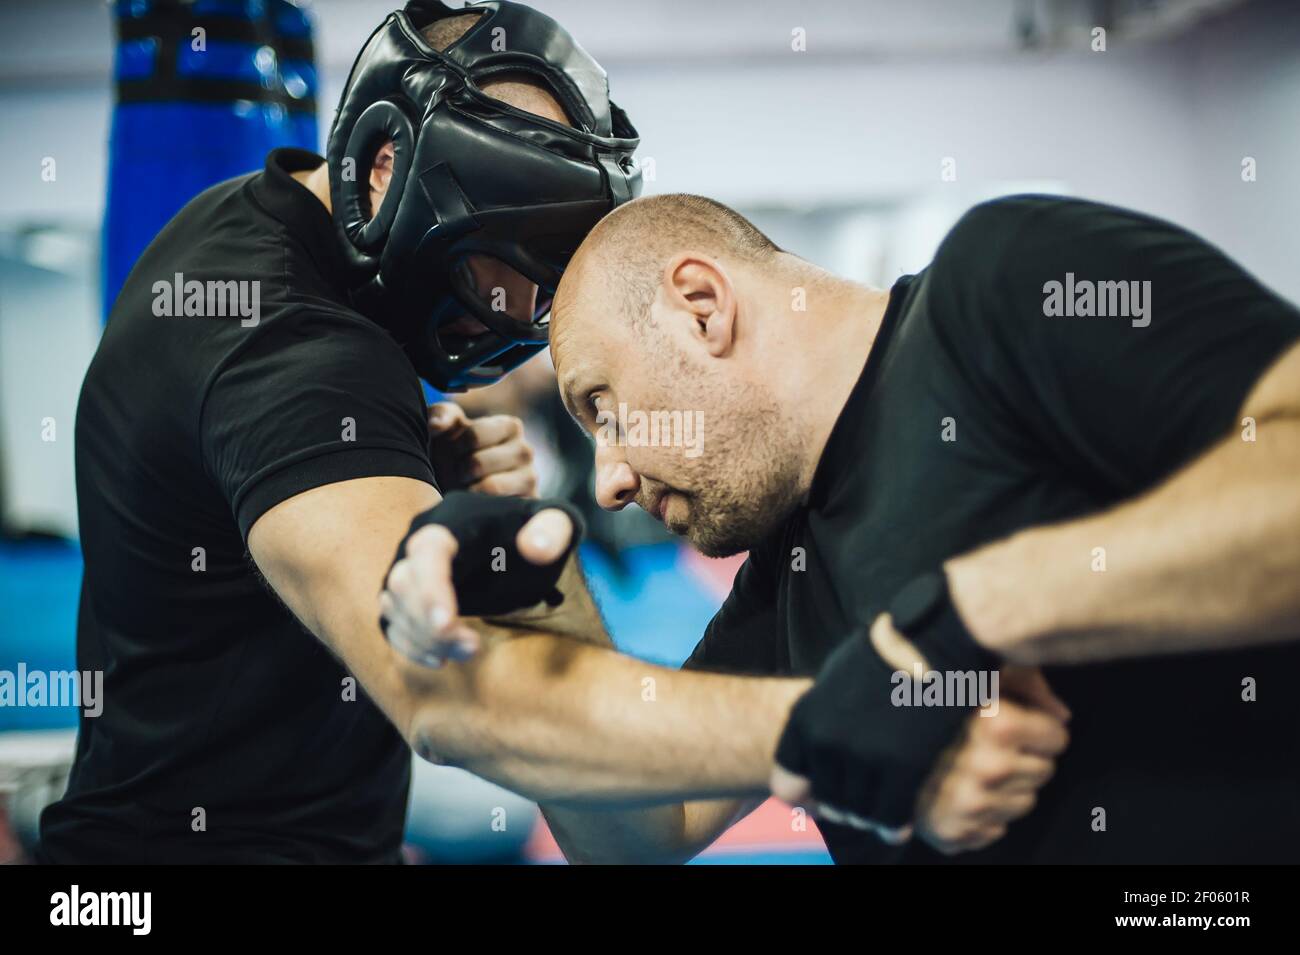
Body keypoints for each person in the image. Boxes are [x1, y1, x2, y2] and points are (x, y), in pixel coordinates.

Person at [386, 191, 1300, 864]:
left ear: (701, 306)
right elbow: (633, 836)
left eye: (606, 408)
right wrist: (527, 601)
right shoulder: (786, 574)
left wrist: (974, 612)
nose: (611, 479)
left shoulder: (997, 289)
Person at [39, 0, 638, 863]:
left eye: (547, 274)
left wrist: (406, 473)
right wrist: (795, 726)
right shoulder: (306, 352)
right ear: (387, 165)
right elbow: (454, 701)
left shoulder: (237, 217)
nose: (517, 307)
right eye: (504, 250)